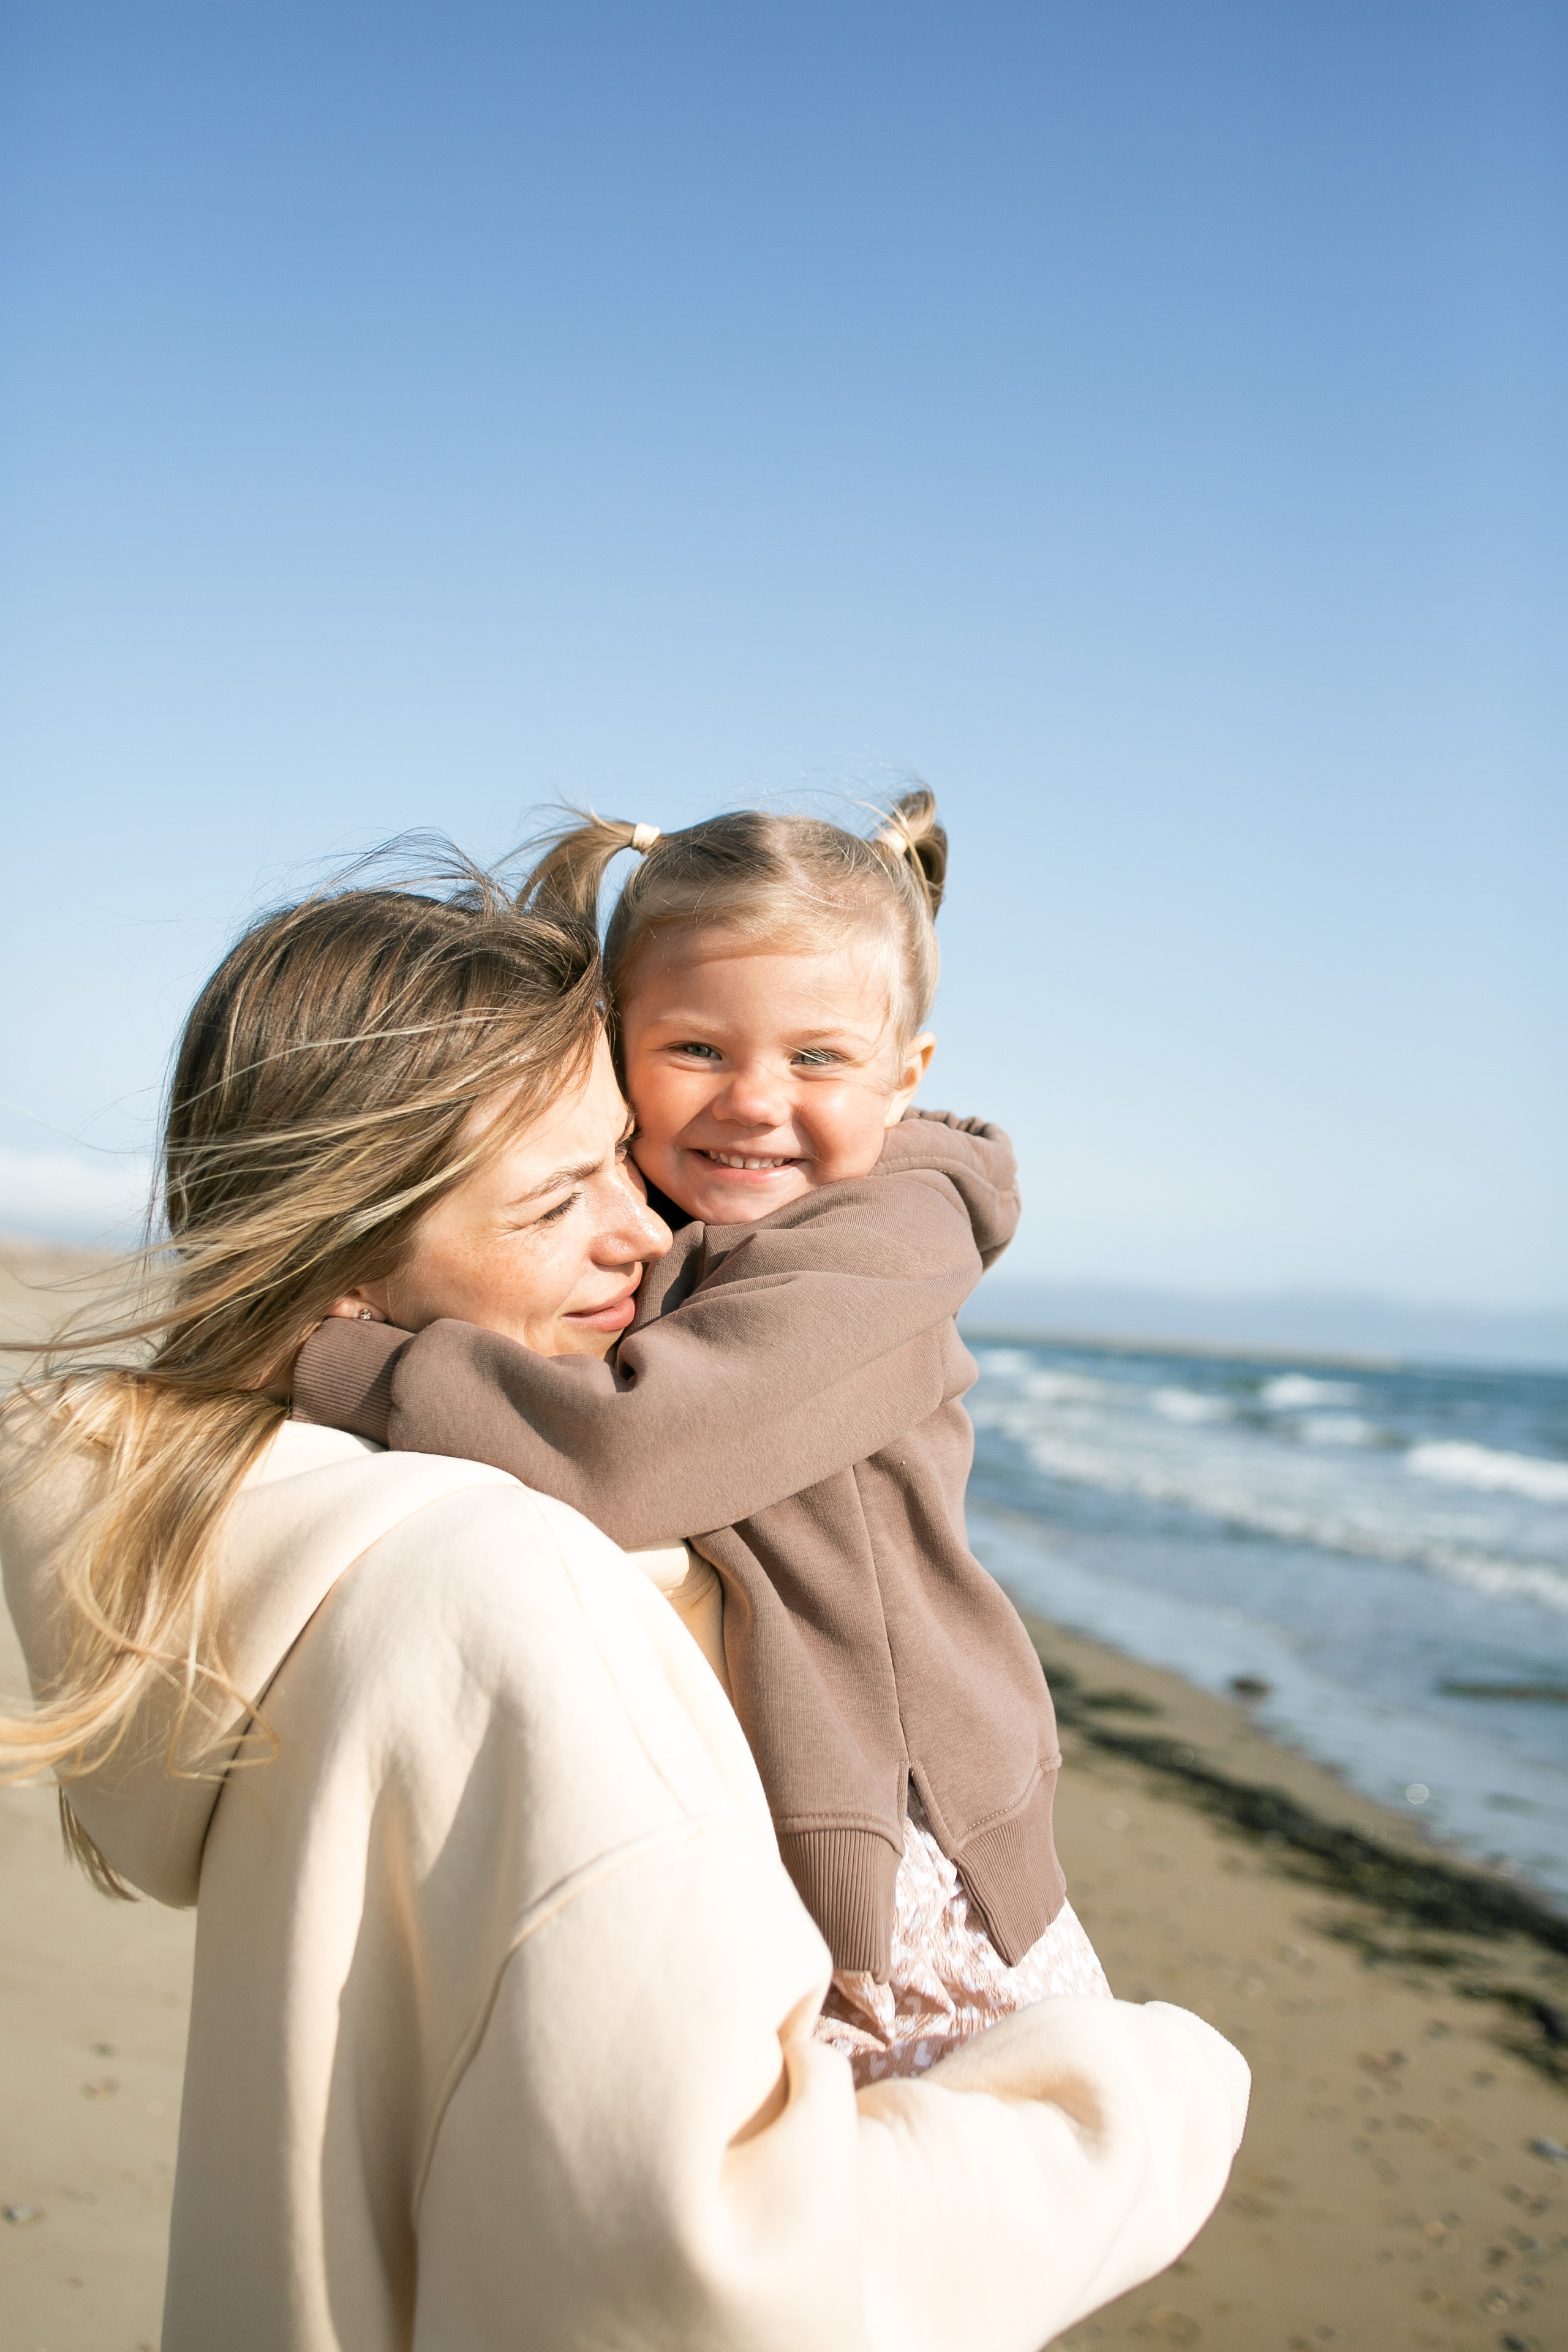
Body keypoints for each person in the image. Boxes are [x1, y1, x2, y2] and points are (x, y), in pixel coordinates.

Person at [0, 853, 1248, 2351]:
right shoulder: (530, 1595)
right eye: (557, 1201)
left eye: (623, 1163)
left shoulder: (264, 1531)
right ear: (337, 1267)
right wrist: (1148, 2104)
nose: (651, 1237)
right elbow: (714, 2278)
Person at [294, 794, 1107, 2085]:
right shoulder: (668, 1220)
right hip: (768, 1815)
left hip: (898, 1855)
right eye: (694, 1050)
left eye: (817, 1060)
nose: (752, 1102)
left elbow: (629, 1454)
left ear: (907, 1073)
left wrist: (333, 1360)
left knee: (887, 2224)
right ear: (616, 1038)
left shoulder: (883, 1247)